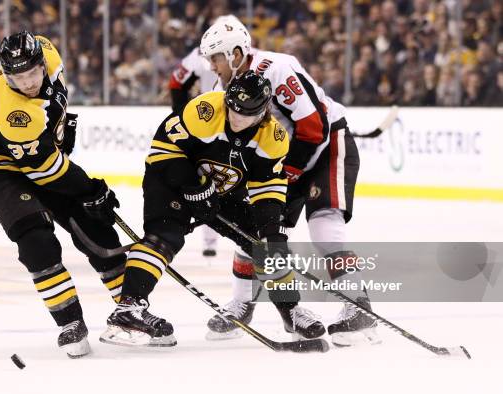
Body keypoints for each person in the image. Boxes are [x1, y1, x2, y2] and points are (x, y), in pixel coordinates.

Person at [199, 18, 380, 347]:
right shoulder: (219, 92)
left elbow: (314, 126)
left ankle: (358, 304)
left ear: (237, 53)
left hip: (325, 147)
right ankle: (242, 303)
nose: (211, 65)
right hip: (282, 161)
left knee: (324, 223)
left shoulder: (277, 68)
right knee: (255, 230)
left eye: (216, 57)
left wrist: (290, 171)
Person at [100, 70, 300, 347]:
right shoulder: (205, 109)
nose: (236, 117)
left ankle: (291, 310)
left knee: (262, 242)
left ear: (263, 112)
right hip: (169, 180)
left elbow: (269, 191)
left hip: (218, 194)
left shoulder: (274, 138)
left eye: (245, 114)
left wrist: (272, 233)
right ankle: (128, 309)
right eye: (233, 108)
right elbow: (162, 149)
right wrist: (193, 186)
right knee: (164, 237)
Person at [0, 31, 125, 358]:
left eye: (33, 73)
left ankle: (131, 309)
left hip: (36, 151)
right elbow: (46, 172)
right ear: (6, 76)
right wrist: (90, 188)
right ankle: (70, 323)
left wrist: (59, 133)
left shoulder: (48, 48)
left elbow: (55, 101)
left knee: (95, 227)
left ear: (41, 62)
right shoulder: (13, 111)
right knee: (36, 238)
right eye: (18, 78)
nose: (29, 83)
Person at [167, 15, 242, 258]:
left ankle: (210, 240)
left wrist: (181, 113)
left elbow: (175, 82)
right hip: (237, 121)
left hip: (208, 121)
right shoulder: (242, 55)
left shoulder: (198, 55)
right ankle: (253, 238)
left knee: (209, 179)